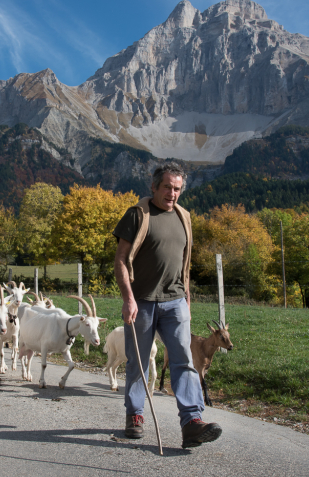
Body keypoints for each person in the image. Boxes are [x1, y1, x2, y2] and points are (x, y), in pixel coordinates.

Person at [112, 163, 222, 449]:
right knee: (138, 361)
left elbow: (183, 264)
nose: (172, 193)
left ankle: (192, 423)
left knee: (184, 361)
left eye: (177, 188)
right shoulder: (137, 215)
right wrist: (128, 298)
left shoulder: (184, 217)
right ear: (154, 187)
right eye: (167, 187)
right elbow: (121, 259)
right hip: (142, 302)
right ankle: (135, 415)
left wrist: (187, 298)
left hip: (175, 302)